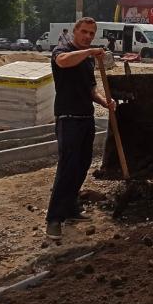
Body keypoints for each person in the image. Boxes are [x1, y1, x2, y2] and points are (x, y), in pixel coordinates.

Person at [45, 17, 116, 240]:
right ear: (75, 31)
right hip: (68, 118)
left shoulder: (88, 61)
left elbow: (91, 90)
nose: (87, 36)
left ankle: (71, 208)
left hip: (86, 118)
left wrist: (105, 102)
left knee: (82, 166)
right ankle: (54, 219)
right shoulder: (62, 49)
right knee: (67, 167)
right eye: (84, 32)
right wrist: (89, 51)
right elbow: (63, 62)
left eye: (91, 34)